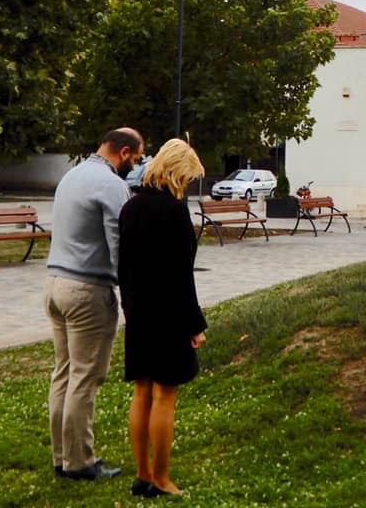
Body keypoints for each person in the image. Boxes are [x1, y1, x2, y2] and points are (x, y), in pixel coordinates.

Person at [45, 126, 145, 481]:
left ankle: (61, 457)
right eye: (137, 158)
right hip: (87, 289)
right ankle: (80, 462)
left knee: (63, 373)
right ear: (123, 152)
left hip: (55, 284)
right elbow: (120, 244)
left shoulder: (70, 176)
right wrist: (131, 293)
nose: (136, 166)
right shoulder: (111, 185)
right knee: (85, 377)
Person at [118, 138, 207, 498]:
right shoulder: (174, 212)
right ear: (176, 173)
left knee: (142, 391)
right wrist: (195, 325)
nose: (187, 185)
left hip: (139, 312)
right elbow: (181, 275)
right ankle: (161, 478)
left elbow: (123, 266)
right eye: (187, 178)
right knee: (165, 395)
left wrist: (129, 307)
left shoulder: (131, 207)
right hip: (170, 314)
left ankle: (142, 474)